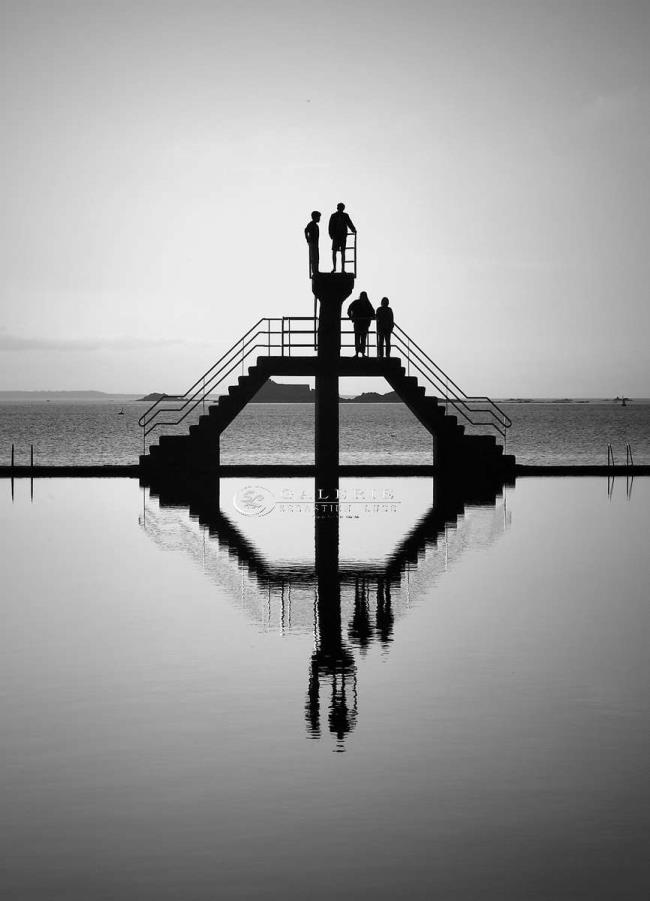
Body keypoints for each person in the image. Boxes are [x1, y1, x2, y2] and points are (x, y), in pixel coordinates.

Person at [328, 202, 356, 273]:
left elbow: (349, 223)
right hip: (336, 236)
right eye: (340, 207)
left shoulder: (345, 215)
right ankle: (334, 267)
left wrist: (353, 229)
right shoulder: (333, 215)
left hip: (342, 236)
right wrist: (331, 235)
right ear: (338, 208)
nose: (341, 209)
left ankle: (342, 269)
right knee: (334, 252)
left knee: (342, 252)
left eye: (342, 208)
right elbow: (330, 226)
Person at [347, 291, 375, 356]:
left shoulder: (359, 303)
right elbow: (349, 309)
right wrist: (351, 317)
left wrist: (351, 317)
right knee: (360, 338)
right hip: (361, 323)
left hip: (362, 323)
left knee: (360, 338)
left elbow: (349, 309)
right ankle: (359, 353)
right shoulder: (367, 303)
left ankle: (359, 353)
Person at [304, 210, 321, 277]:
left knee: (316, 257)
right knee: (314, 257)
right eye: (318, 217)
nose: (319, 219)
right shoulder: (311, 224)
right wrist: (308, 239)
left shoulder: (315, 225)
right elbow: (305, 230)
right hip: (312, 243)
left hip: (315, 243)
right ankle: (314, 271)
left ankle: (316, 270)